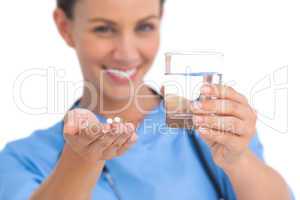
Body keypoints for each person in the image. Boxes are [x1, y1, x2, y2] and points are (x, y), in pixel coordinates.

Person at [0, 0, 293, 199]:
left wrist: (238, 159)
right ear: (65, 27)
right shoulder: (23, 159)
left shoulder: (209, 124)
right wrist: (81, 160)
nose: (126, 52)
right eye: (103, 29)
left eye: (144, 27)